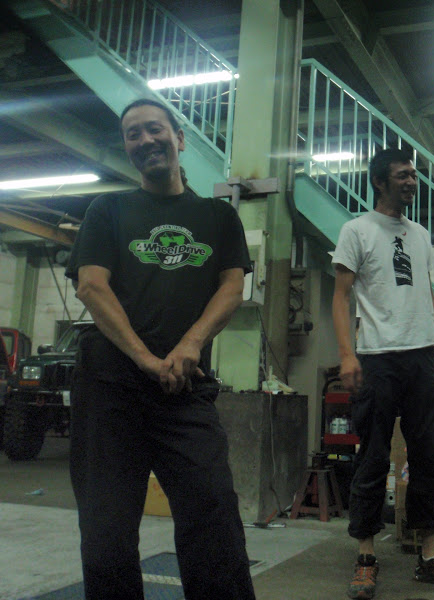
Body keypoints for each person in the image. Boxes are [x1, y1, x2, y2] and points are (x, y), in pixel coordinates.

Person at [65, 98, 256, 600]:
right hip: (110, 389)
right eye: (133, 134)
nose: (145, 140)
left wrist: (191, 343)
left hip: (183, 388)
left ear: (179, 138)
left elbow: (232, 288)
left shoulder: (217, 216)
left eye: (154, 129)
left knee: (213, 515)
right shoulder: (107, 210)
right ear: (127, 148)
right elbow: (91, 286)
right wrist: (145, 359)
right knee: (106, 534)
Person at [332, 148, 434, 599]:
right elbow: (340, 297)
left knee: (428, 459)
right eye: (403, 176)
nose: (412, 182)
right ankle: (366, 558)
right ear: (380, 182)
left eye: (414, 175)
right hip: (376, 358)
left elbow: (426, 295)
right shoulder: (356, 230)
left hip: (419, 359)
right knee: (372, 459)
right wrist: (347, 354)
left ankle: (430, 557)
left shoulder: (419, 234)